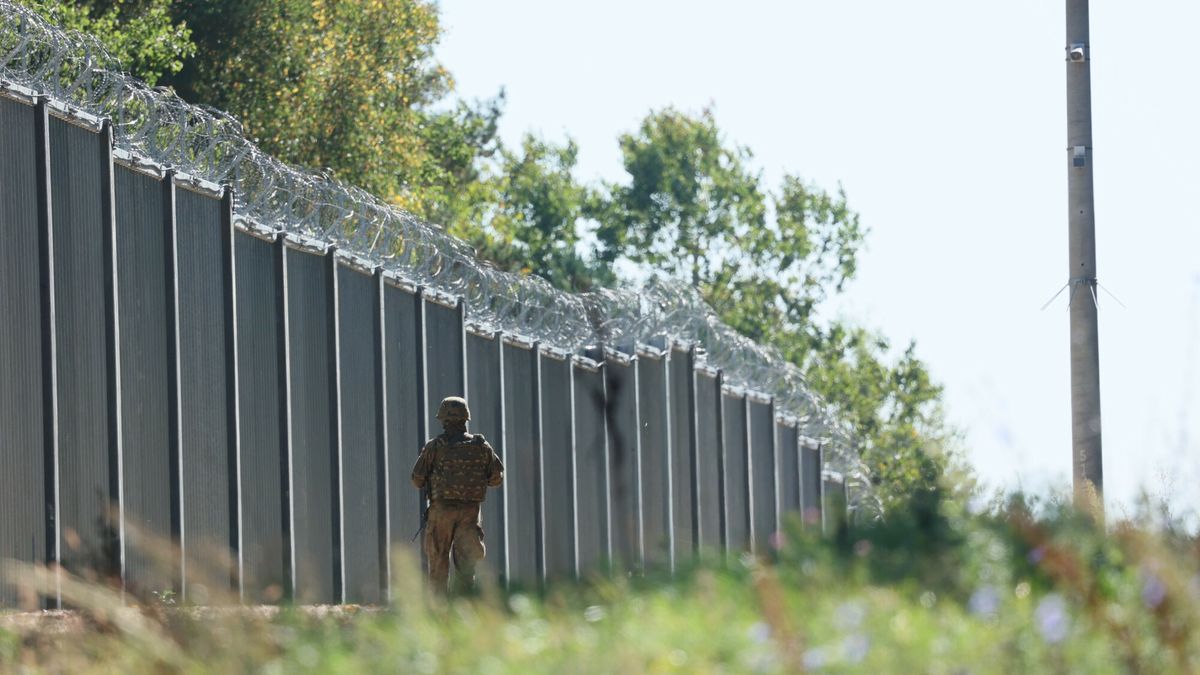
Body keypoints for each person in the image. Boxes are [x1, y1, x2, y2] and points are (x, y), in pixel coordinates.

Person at [411, 396, 503, 594]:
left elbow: (417, 479)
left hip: (441, 511)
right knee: (466, 565)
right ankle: (463, 611)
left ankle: (438, 610)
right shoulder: (481, 446)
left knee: (438, 561)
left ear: (443, 420)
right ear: (465, 419)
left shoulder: (435, 446)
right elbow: (496, 479)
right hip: (470, 512)